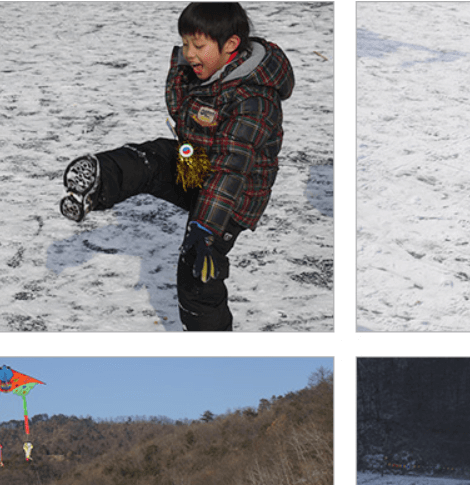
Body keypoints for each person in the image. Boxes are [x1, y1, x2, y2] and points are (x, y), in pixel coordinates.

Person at [58, 2, 295, 331]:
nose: (189, 53)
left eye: (198, 46)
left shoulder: (255, 102)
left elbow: (230, 171)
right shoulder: (210, 72)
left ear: (231, 46)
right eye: (185, 43)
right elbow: (182, 110)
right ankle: (97, 186)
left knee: (197, 274)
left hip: (230, 201)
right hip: (196, 164)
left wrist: (205, 230)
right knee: (152, 158)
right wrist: (185, 68)